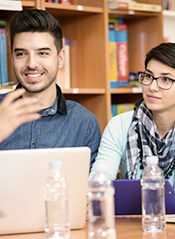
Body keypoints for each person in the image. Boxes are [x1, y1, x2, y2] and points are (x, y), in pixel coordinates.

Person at [92, 42, 175, 204]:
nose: (152, 87)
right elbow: (98, 183)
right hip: (132, 221)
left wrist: (146, 201)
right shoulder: (119, 125)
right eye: (148, 76)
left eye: (165, 79)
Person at [0, 9, 101, 168]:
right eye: (21, 54)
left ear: (60, 59)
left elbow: (91, 188)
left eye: (42, 53)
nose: (31, 64)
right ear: (12, 59)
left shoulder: (84, 123)